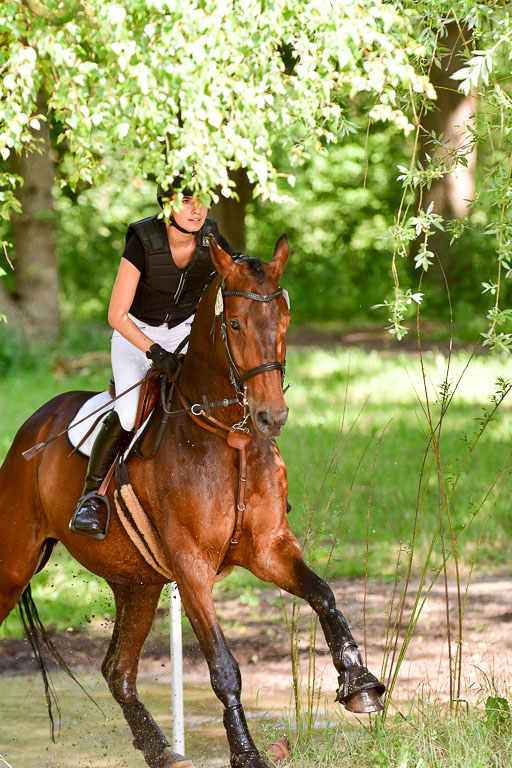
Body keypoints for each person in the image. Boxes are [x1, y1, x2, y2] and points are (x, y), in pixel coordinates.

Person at [69, 172, 235, 539]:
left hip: (185, 333)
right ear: (167, 204)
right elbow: (116, 315)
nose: (197, 210)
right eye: (187, 201)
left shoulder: (211, 237)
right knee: (129, 413)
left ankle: (255, 479)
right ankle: (90, 499)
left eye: (202, 201)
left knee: (227, 390)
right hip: (135, 334)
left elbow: (238, 274)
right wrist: (154, 351)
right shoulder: (143, 241)